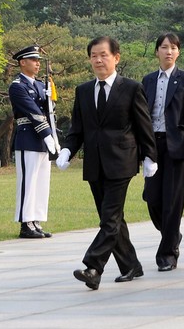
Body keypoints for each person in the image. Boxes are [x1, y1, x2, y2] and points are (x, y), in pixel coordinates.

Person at [57, 36, 158, 290]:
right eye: (93, 55)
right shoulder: (82, 91)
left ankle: (93, 267)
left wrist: (150, 156)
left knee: (109, 219)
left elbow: (143, 124)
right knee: (113, 218)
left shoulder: (131, 88)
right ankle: (131, 264)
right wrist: (67, 150)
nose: (98, 59)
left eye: (103, 54)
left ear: (116, 57)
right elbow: (77, 129)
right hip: (94, 163)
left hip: (122, 161)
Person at [141, 33, 184, 272]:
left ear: (178, 53)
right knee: (152, 198)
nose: (169, 51)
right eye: (164, 47)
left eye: (173, 48)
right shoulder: (147, 80)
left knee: (172, 202)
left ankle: (167, 254)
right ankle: (172, 234)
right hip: (152, 145)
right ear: (157, 51)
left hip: (177, 146)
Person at [9, 45, 57, 239]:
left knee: (41, 182)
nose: (38, 63)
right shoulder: (17, 86)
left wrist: (49, 101)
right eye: (34, 60)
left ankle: (36, 221)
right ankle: (25, 223)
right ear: (22, 62)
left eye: (38, 60)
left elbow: (48, 113)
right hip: (28, 138)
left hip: (42, 142)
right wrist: (47, 134)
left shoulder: (39, 85)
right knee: (28, 182)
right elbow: (33, 112)